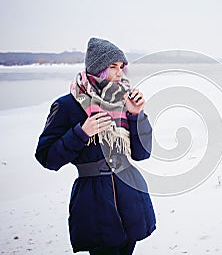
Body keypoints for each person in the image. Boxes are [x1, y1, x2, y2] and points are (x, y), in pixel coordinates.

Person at [35, 37, 156, 254]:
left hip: (130, 194)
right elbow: (47, 157)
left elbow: (142, 153)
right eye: (113, 67)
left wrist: (137, 115)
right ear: (98, 69)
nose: (120, 73)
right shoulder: (67, 105)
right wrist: (81, 133)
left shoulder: (124, 101)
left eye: (121, 67)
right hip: (94, 200)